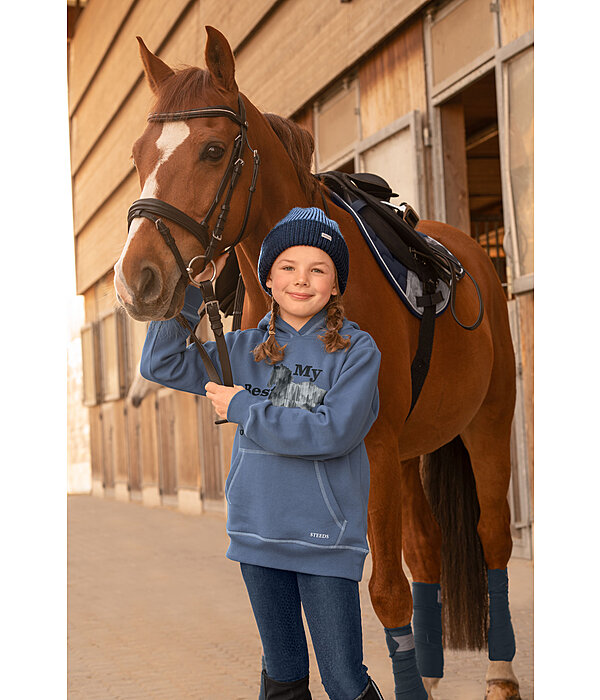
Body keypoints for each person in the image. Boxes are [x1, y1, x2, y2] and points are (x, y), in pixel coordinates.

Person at [141, 207, 384, 700]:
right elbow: (160, 363)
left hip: (325, 541)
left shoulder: (358, 351)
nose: (302, 280)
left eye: (318, 269)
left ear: (336, 284)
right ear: (267, 279)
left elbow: (331, 432)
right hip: (258, 535)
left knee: (342, 678)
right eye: (288, 267)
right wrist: (190, 291)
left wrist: (245, 408)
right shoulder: (244, 350)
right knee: (283, 677)